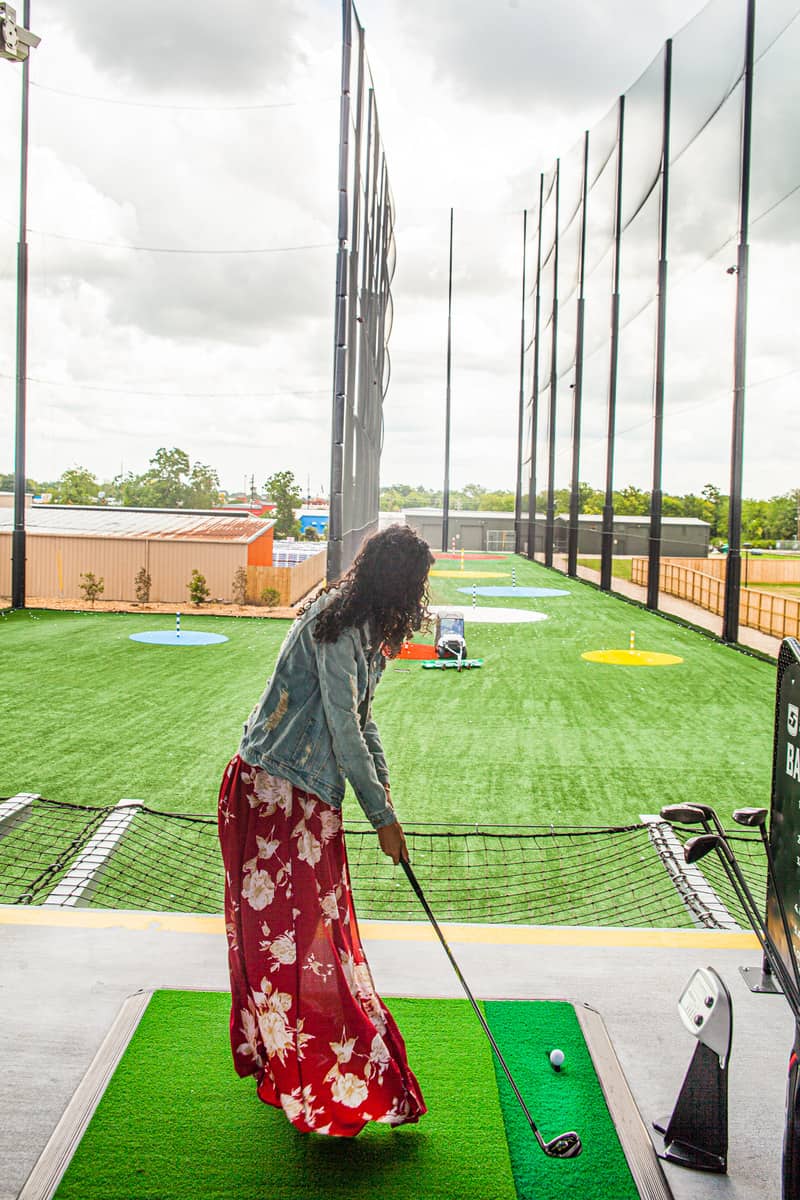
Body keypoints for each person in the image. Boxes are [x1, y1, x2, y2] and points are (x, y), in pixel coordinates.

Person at [218, 524, 432, 1137]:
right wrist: (382, 820)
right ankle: (311, 1081)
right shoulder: (338, 625)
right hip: (270, 795)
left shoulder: (368, 630)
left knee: (315, 938)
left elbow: (364, 723)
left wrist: (385, 804)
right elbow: (341, 728)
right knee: (289, 946)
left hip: (306, 799)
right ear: (397, 584)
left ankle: (313, 1072)